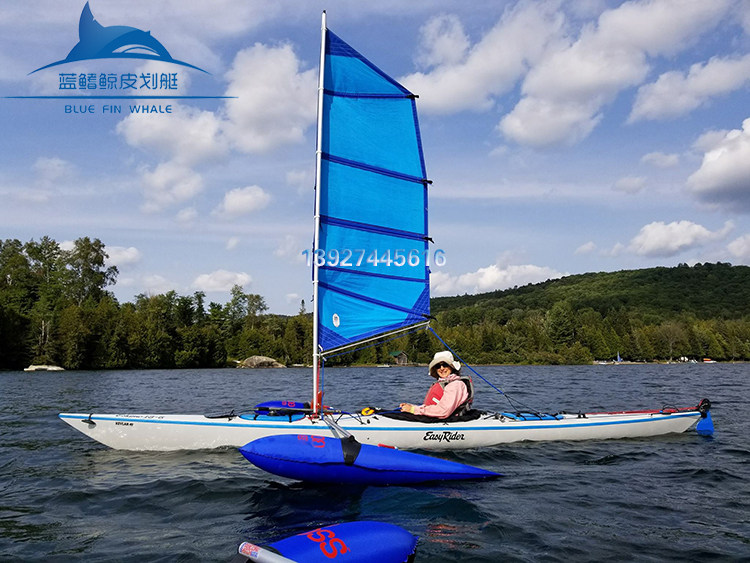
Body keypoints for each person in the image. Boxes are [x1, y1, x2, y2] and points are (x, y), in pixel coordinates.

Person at [399, 351, 473, 419]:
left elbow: (444, 411)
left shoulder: (455, 385)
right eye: (438, 366)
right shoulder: (445, 383)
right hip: (433, 418)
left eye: (445, 365)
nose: (442, 368)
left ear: (452, 367)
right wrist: (411, 407)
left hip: (447, 421)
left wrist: (413, 409)